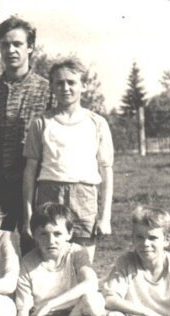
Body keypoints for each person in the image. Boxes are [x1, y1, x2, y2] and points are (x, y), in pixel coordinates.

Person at [0, 16, 51, 253]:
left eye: (17, 44)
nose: (11, 50)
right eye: (5, 44)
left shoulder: (47, 91)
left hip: (34, 185)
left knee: (35, 246)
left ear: (31, 47)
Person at [23, 57, 113, 262]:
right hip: (49, 193)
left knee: (82, 261)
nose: (65, 88)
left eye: (71, 82)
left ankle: (82, 294)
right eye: (59, 83)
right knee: (50, 259)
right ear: (52, 87)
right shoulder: (41, 123)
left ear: (84, 86)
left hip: (84, 197)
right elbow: (29, 173)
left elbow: (106, 171)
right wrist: (27, 215)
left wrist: (105, 217)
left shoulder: (97, 123)